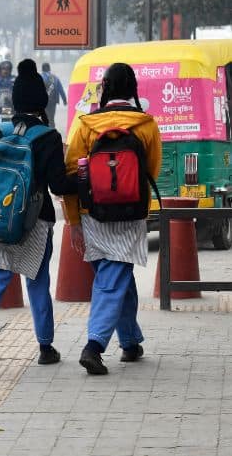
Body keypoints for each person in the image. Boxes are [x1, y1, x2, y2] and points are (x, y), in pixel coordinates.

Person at [0, 59, 75, 376]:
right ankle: (45, 346)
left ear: (14, 99)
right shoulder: (48, 137)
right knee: (37, 282)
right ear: (42, 101)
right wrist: (81, 180)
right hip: (33, 224)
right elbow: (58, 185)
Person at [63, 62, 162, 375]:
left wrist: (74, 222)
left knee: (116, 278)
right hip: (131, 215)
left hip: (94, 215)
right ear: (133, 89)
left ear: (103, 88)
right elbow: (152, 172)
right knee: (114, 279)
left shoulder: (84, 125)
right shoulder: (146, 125)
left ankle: (131, 342)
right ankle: (94, 345)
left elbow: (71, 176)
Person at [41, 62, 67, 128]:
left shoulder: (40, 77)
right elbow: (60, 89)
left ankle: (45, 132)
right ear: (49, 68)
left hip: (43, 101)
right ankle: (52, 132)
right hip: (53, 101)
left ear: (42, 69)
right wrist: (64, 100)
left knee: (44, 117)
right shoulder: (55, 78)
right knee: (51, 117)